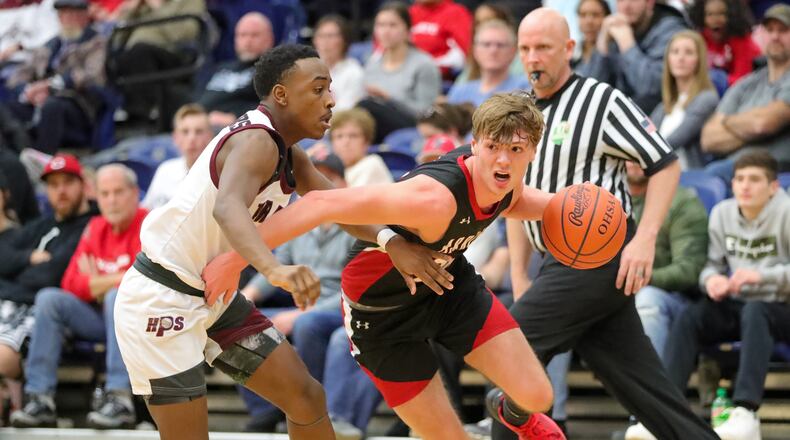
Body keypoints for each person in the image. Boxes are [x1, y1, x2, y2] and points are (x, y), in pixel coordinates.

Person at [113, 43, 451, 440]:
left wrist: (391, 242)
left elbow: (336, 205)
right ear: (281, 95)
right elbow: (228, 208)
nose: (331, 100)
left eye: (330, 89)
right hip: (162, 297)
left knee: (306, 398)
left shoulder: (289, 153)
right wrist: (274, 269)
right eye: (318, 89)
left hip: (214, 297)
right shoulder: (256, 140)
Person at [205, 91, 566, 440]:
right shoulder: (432, 199)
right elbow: (319, 204)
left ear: (532, 151)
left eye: (515, 150)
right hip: (379, 316)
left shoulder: (508, 185)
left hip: (446, 288)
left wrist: (601, 218)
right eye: (493, 148)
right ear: (474, 145)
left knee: (538, 396)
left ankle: (507, 411)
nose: (503, 160)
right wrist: (236, 260)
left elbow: (530, 204)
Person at [493, 9, 717, 440]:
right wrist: (520, 274)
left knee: (509, 348)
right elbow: (513, 198)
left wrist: (645, 239)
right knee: (646, 390)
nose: (532, 57)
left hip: (601, 255)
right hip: (554, 262)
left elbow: (665, 164)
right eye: (525, 48)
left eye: (543, 47)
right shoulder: (519, 112)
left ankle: (511, 418)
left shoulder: (602, 100)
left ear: (570, 49)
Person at [10, 164, 147, 429]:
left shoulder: (149, 222)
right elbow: (71, 283)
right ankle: (40, 399)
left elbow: (143, 279)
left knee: (117, 296)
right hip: (98, 319)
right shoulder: (95, 226)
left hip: (141, 322)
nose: (111, 200)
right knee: (50, 299)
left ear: (134, 194)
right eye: (105, 194)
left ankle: (120, 399)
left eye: (118, 192)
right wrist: (120, 276)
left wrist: (99, 283)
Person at [665, 151, 790, 440]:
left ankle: (745, 411)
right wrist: (712, 281)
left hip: (780, 307)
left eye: (755, 180)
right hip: (739, 304)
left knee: (756, 311)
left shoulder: (786, 212)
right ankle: (666, 410)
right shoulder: (722, 213)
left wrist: (762, 276)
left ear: (773, 187)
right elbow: (710, 266)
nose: (745, 186)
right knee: (691, 317)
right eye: (740, 179)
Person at [236, 152, 356, 433]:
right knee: (238, 325)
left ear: (342, 183)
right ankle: (266, 411)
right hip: (301, 305)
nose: (317, 187)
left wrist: (299, 314)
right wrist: (248, 294)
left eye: (328, 177)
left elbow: (351, 290)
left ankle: (309, 408)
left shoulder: (356, 226)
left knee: (306, 324)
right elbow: (278, 264)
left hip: (339, 308)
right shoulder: (299, 221)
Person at [0, 154, 94, 385]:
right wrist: (28, 257)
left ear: (84, 184)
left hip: (41, 310)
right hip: (11, 301)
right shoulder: (43, 224)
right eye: (53, 185)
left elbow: (50, 277)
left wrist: (11, 276)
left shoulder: (92, 226)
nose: (60, 190)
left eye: (68, 182)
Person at [3, 0, 107, 154]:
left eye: (73, 14)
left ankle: (44, 156)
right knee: (7, 109)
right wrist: (28, 90)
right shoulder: (51, 44)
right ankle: (19, 156)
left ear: (85, 15)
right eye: (63, 14)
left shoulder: (96, 42)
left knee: (52, 106)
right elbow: (20, 74)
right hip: (39, 99)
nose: (68, 19)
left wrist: (50, 86)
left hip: (76, 103)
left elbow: (93, 75)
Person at [700, 4, 790, 174]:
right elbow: (708, 139)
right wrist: (753, 128)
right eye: (769, 30)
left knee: (713, 174)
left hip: (774, 171)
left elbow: (763, 124)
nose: (775, 36)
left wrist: (727, 121)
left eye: (783, 30)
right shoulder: (747, 82)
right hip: (734, 169)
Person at [359, 1, 441, 144]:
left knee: (365, 106)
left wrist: (390, 98)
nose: (386, 31)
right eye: (381, 25)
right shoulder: (372, 64)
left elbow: (427, 113)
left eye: (393, 25)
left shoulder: (423, 64)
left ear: (407, 29)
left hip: (413, 126)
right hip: (376, 126)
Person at [587, 0, 686, 113]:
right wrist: (602, 43)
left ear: (649, 3)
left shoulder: (671, 30)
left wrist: (628, 45)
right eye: (620, 1)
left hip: (659, 117)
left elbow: (650, 88)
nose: (626, 6)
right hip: (621, 116)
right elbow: (591, 91)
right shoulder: (617, 28)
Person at [650, 30, 719, 169]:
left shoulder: (707, 98)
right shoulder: (664, 106)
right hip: (659, 174)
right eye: (675, 52)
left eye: (688, 52)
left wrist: (646, 152)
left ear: (699, 59)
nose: (680, 58)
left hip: (687, 176)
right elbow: (646, 135)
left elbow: (678, 138)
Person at [197, 12, 274, 129]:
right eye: (243, 35)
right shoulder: (220, 68)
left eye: (254, 35)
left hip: (240, 128)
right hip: (199, 126)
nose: (248, 41)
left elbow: (275, 107)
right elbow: (197, 98)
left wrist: (236, 118)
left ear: (269, 39)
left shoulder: (272, 69)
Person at [142, 104, 213, 210]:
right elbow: (146, 211)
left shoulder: (220, 174)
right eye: (185, 131)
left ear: (210, 137)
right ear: (175, 138)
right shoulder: (165, 170)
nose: (192, 138)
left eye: (199, 132)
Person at [446, 19, 531, 108]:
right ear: (475, 50)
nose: (493, 50)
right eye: (486, 44)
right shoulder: (460, 92)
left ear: (513, 51)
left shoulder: (525, 88)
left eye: (500, 45)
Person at [688, 0, 761, 86]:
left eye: (721, 14)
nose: (715, 20)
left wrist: (715, 80)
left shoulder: (743, 42)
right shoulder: (700, 38)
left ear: (732, 16)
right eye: (709, 14)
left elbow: (742, 80)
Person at [312, 15, 365, 112]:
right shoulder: (307, 70)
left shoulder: (354, 72)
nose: (325, 41)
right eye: (321, 36)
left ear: (344, 41)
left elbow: (345, 112)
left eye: (331, 36)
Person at [328, 108, 393, 187]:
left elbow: (351, 198)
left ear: (366, 142)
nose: (346, 142)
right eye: (339, 136)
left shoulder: (371, 163)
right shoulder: (331, 169)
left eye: (353, 136)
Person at [408, 0, 473, 79]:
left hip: (443, 77)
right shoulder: (411, 11)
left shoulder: (456, 12)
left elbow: (465, 51)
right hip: (407, 72)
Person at [571, 0, 610, 76]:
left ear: (607, 18)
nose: (589, 22)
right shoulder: (573, 52)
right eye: (583, 15)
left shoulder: (615, 53)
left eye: (595, 15)